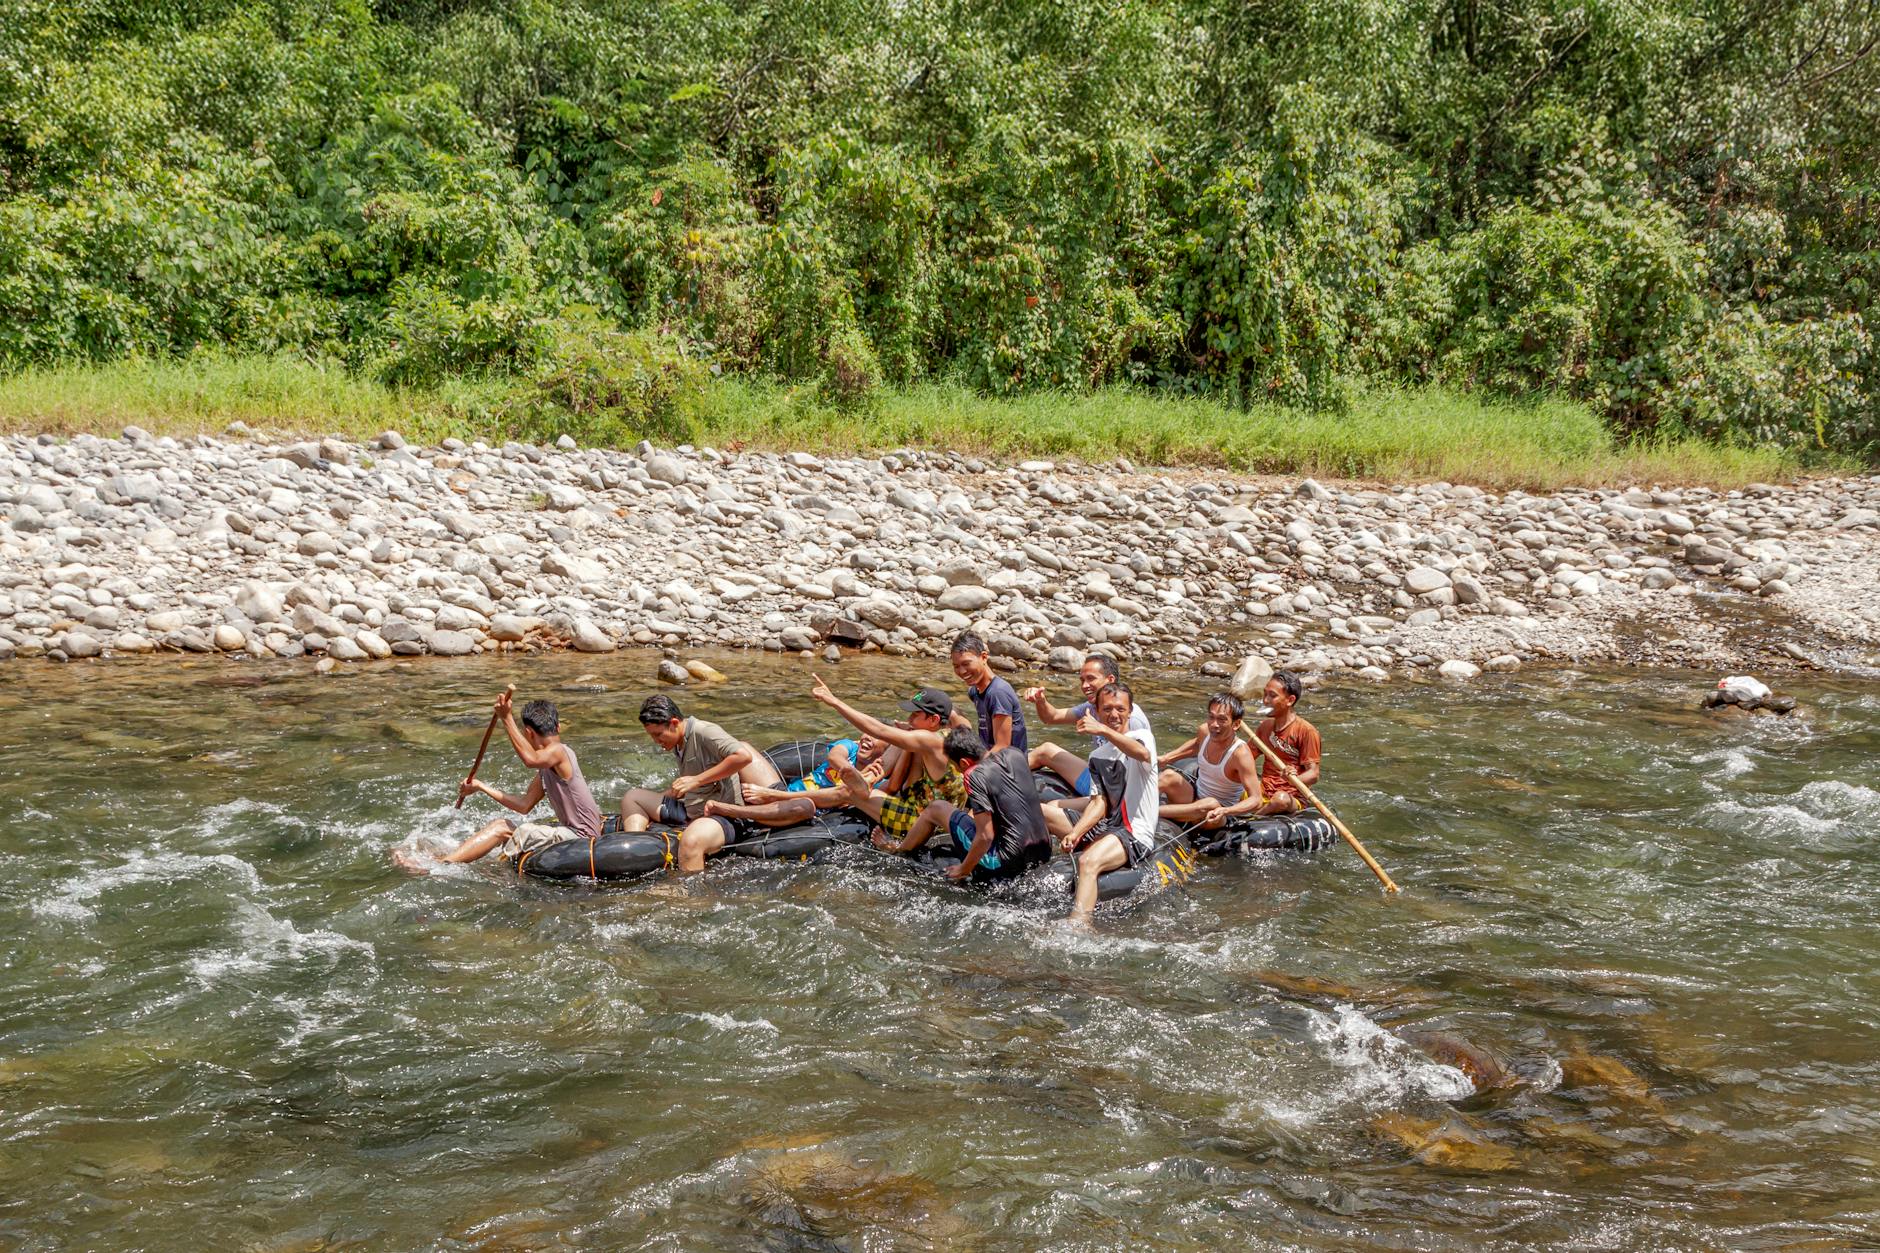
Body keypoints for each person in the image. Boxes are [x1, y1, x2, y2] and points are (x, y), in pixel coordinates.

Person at [394, 692, 602, 872]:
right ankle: (455, 856)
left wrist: (506, 718)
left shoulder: (560, 751)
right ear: (558, 726)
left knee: (503, 827)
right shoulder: (548, 767)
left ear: (528, 733)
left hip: (581, 840)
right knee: (503, 827)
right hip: (571, 836)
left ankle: (441, 865)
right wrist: (481, 787)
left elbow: (530, 759)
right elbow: (523, 806)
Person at [808, 676, 967, 852]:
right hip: (921, 803)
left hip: (924, 823)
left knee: (848, 791)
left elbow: (878, 730)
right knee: (904, 738)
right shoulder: (948, 736)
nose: (910, 718)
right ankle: (867, 779)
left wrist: (834, 701)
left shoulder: (932, 741)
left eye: (915, 714)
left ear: (934, 720)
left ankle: (781, 796)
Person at [618, 695, 768, 873]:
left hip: (723, 817)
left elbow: (743, 756)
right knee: (632, 797)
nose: (656, 741)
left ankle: (691, 896)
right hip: (691, 809)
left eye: (658, 735)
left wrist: (697, 780)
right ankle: (638, 854)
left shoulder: (705, 731)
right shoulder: (678, 739)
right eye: (652, 736)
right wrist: (673, 791)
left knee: (691, 840)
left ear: (674, 723)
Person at [1059, 681, 1159, 925]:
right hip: (1108, 827)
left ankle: (1079, 924)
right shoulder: (1097, 756)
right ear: (1097, 712)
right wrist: (1075, 832)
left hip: (1134, 831)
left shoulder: (1142, 737)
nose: (1114, 715)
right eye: (1107, 710)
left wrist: (1102, 731)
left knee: (1088, 861)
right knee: (1045, 810)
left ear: (1130, 710)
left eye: (1120, 709)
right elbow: (1099, 803)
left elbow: (1142, 754)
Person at [1023, 653, 1151, 794]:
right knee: (1046, 750)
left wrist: (1101, 729)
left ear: (1110, 680)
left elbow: (1143, 760)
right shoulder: (1091, 707)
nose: (1084, 686)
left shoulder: (1132, 717)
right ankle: (1002, 774)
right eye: (1082, 680)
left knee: (1045, 752)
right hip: (1099, 777)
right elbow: (1051, 717)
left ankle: (1001, 777)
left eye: (1091, 679)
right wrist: (1041, 701)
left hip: (1116, 791)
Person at [937, 728, 1053, 883]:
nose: (958, 771)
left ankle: (901, 852)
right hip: (1044, 851)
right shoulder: (1015, 753)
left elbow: (985, 836)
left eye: (956, 766)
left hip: (1007, 862)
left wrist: (963, 869)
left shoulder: (974, 775)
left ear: (964, 762)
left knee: (937, 809)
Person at [1158, 693, 1263, 829]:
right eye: (1211, 717)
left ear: (1236, 724)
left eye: (1222, 720)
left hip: (1215, 815)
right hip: (1194, 797)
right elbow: (1196, 745)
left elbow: (1256, 800)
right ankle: (1130, 806)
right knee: (1168, 776)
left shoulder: (1240, 754)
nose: (1214, 724)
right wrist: (1167, 758)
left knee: (1210, 803)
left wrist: (1226, 811)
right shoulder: (1204, 731)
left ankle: (1149, 813)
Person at [1252, 671, 1321, 815]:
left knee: (1280, 799)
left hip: (1291, 797)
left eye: (1272, 695)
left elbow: (1313, 774)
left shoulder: (1306, 731)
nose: (1265, 700)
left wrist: (1292, 779)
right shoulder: (1265, 727)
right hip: (1263, 790)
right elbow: (1246, 757)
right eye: (1265, 694)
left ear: (1290, 700)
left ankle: (1253, 818)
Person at [949, 632, 1028, 754]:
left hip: (1008, 765)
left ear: (984, 657)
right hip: (989, 755)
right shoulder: (974, 691)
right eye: (956, 666)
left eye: (966, 664)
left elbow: (1002, 747)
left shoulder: (998, 692)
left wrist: (973, 769)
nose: (962, 671)